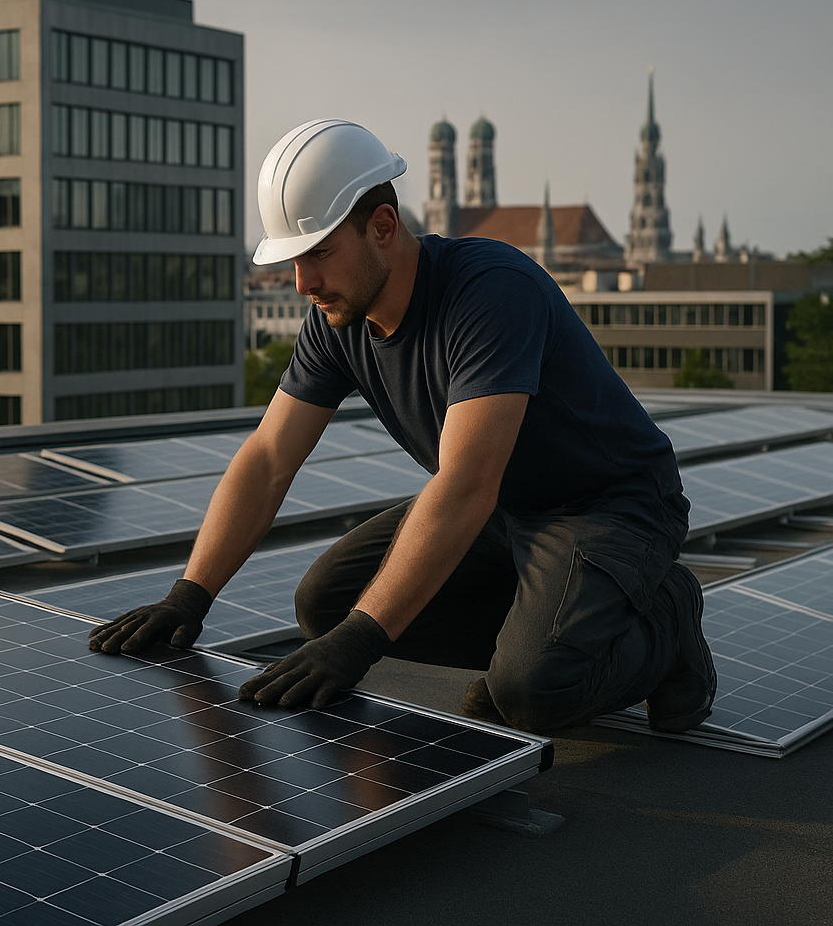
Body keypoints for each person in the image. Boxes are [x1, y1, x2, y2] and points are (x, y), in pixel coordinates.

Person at [88, 119, 716, 735]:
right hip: (505, 508)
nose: (304, 283)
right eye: (294, 260)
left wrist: (362, 643)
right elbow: (270, 456)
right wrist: (190, 595)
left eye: (319, 254)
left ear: (383, 227)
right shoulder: (338, 317)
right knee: (327, 604)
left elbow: (466, 482)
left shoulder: (491, 292)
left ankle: (664, 619)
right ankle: (546, 638)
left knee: (533, 693)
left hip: (608, 506)